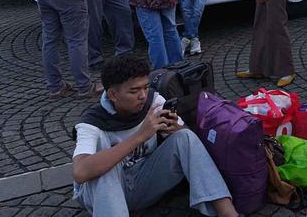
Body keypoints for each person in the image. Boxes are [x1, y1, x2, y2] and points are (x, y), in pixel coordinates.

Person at [71, 54, 238, 217]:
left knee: (185, 136)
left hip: (143, 184)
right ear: (113, 95)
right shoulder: (91, 123)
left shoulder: (153, 101)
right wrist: (140, 136)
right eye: (134, 91)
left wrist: (176, 128)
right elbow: (80, 172)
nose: (143, 96)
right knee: (104, 167)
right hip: (103, 196)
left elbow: (189, 144)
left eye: (145, 87)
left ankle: (226, 212)